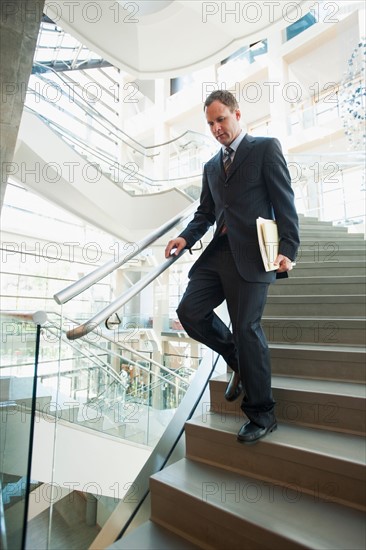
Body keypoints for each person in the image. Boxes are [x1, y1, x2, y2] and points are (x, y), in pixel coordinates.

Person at [165, 90, 300, 443]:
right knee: (190, 312)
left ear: (237, 115)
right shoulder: (211, 166)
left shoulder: (265, 149)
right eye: (210, 123)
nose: (216, 128)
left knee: (247, 327)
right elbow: (206, 214)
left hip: (254, 254)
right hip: (218, 254)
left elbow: (284, 201)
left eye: (221, 119)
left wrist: (288, 247)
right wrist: (185, 237)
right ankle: (237, 357)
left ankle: (262, 413)